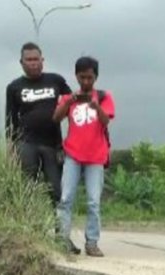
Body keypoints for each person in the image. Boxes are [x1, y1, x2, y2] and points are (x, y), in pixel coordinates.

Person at [53, 56, 115, 257]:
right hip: (72, 154)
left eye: (89, 77)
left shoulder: (105, 97)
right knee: (66, 198)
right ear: (76, 76)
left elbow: (106, 122)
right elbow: (55, 118)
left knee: (93, 202)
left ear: (95, 76)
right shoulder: (68, 98)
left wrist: (97, 107)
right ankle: (62, 239)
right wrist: (69, 101)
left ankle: (92, 242)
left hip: (96, 156)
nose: (86, 82)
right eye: (82, 78)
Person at [5, 42, 72, 226]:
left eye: (36, 59)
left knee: (57, 191)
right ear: (21, 62)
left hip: (53, 144)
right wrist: (10, 149)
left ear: (42, 60)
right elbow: (9, 119)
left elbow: (73, 104)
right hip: (26, 143)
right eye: (29, 60)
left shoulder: (56, 80)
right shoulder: (14, 87)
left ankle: (61, 236)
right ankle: (30, 232)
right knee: (28, 189)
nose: (33, 63)